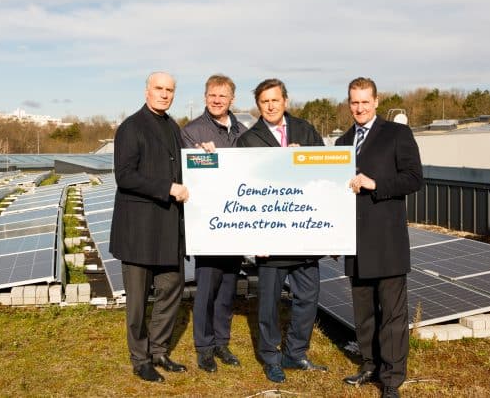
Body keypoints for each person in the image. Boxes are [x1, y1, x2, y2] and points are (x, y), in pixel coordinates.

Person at [236, 78, 328, 383]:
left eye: (275, 100)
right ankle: (271, 357)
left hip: (304, 234)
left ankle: (296, 353)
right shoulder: (249, 141)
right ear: (258, 106)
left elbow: (327, 173)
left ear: (285, 101)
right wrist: (252, 238)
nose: (271, 106)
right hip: (270, 238)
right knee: (268, 304)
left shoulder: (305, 130)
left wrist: (306, 161)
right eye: (265, 102)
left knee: (307, 297)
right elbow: (241, 188)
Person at [336, 77, 423, 398]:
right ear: (349, 103)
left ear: (376, 101)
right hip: (355, 242)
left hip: (387, 242)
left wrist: (377, 185)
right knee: (364, 314)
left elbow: (414, 178)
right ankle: (369, 365)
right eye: (354, 102)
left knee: (392, 315)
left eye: (364, 102)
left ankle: (392, 380)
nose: (359, 108)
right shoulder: (342, 143)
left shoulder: (397, 134)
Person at [109, 71, 190, 383]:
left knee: (171, 288)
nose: (164, 94)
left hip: (169, 227)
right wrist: (167, 188)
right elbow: (125, 176)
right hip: (139, 230)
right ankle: (140, 359)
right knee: (138, 302)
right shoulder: (131, 127)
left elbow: (182, 166)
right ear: (147, 91)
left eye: (170, 90)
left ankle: (159, 350)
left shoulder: (173, 127)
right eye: (159, 88)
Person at [181, 74, 248, 373]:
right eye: (212, 95)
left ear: (232, 98)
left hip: (235, 224)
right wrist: (200, 157)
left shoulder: (244, 132)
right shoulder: (193, 132)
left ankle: (222, 342)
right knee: (207, 288)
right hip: (209, 224)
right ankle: (204, 347)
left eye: (223, 95)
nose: (217, 100)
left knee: (228, 288)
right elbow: (188, 175)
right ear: (206, 96)